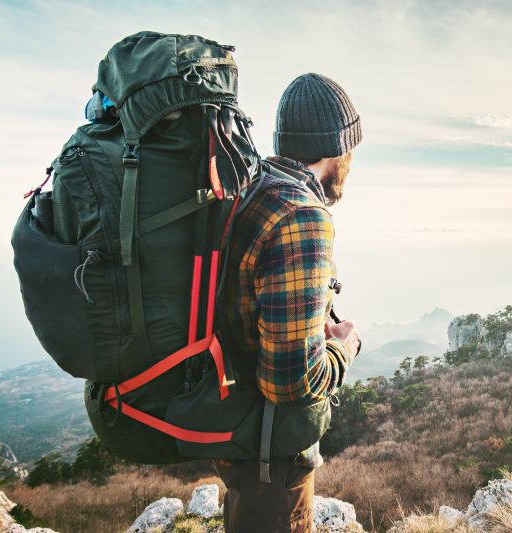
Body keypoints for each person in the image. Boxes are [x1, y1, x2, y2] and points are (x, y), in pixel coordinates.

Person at [214, 73, 363, 532]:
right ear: (336, 149)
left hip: (234, 425)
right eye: (352, 151)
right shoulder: (301, 215)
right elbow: (292, 385)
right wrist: (344, 347)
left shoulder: (253, 185)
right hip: (270, 454)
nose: (352, 164)